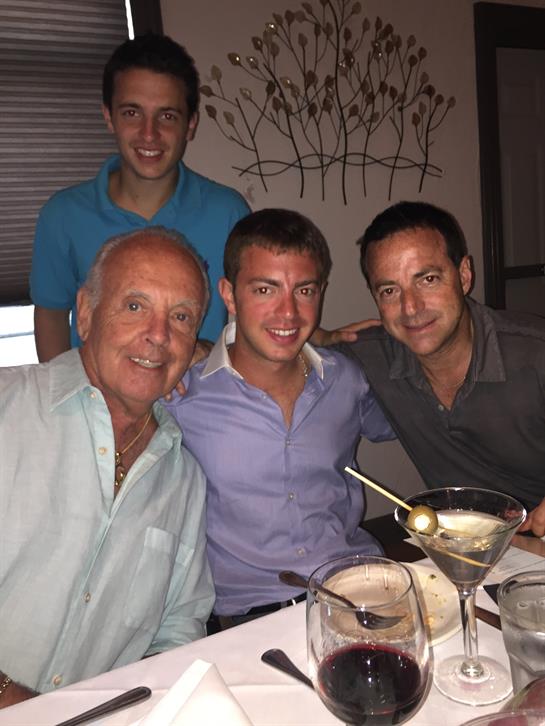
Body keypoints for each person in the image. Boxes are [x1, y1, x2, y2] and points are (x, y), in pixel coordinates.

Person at [0, 228, 214, 708]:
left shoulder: (185, 479)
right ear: (86, 312)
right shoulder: (6, 409)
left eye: (181, 317)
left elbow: (180, 627)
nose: (159, 335)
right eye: (135, 306)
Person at [163, 209, 394, 629]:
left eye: (304, 290)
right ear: (229, 295)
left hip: (357, 589)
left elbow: (411, 423)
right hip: (247, 620)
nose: (288, 312)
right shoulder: (181, 396)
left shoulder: (346, 379)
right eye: (265, 289)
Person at [30, 33, 250, 363]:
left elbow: (258, 314)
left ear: (190, 124)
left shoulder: (229, 213)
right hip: (96, 394)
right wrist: (64, 394)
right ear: (109, 116)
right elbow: (51, 317)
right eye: (132, 113)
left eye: (167, 116)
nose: (150, 134)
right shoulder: (62, 216)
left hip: (200, 393)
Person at [344, 200, 545, 536]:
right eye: (390, 290)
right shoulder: (370, 356)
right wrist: (313, 334)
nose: (411, 307)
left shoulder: (535, 354)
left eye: (428, 279)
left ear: (464, 275)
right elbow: (283, 354)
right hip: (464, 545)